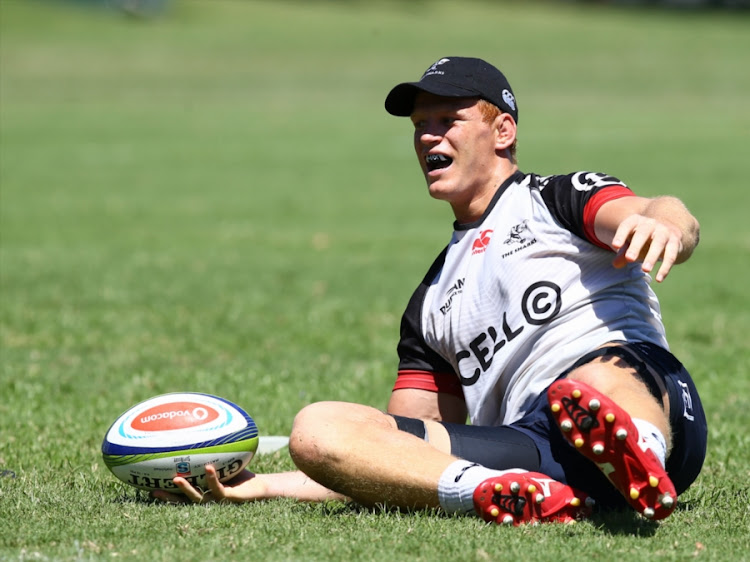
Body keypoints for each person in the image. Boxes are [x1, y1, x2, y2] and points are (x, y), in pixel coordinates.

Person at [154, 56, 707, 525]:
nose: (427, 136)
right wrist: (263, 485)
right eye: (420, 125)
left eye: (448, 120)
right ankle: (501, 496)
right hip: (536, 450)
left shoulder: (556, 199)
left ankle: (639, 456)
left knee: (591, 377)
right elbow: (400, 452)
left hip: (648, 400)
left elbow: (658, 210)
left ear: (503, 132)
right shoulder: (432, 301)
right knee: (319, 427)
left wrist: (667, 227)